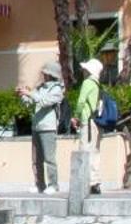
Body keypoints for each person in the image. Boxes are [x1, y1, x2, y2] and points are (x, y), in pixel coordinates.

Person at [26, 60, 66, 193]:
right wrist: (23, 95)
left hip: (48, 127)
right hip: (36, 126)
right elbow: (30, 102)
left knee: (49, 159)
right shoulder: (40, 88)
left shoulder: (57, 90)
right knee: (36, 159)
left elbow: (44, 102)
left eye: (45, 73)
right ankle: (39, 184)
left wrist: (30, 94)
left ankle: (53, 185)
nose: (43, 75)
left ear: (51, 74)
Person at [71, 57, 104, 194]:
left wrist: (76, 116)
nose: (83, 71)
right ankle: (95, 182)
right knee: (95, 152)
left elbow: (80, 102)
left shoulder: (87, 83)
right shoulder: (97, 84)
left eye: (85, 69)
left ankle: (86, 182)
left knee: (84, 150)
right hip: (96, 122)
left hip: (87, 121)